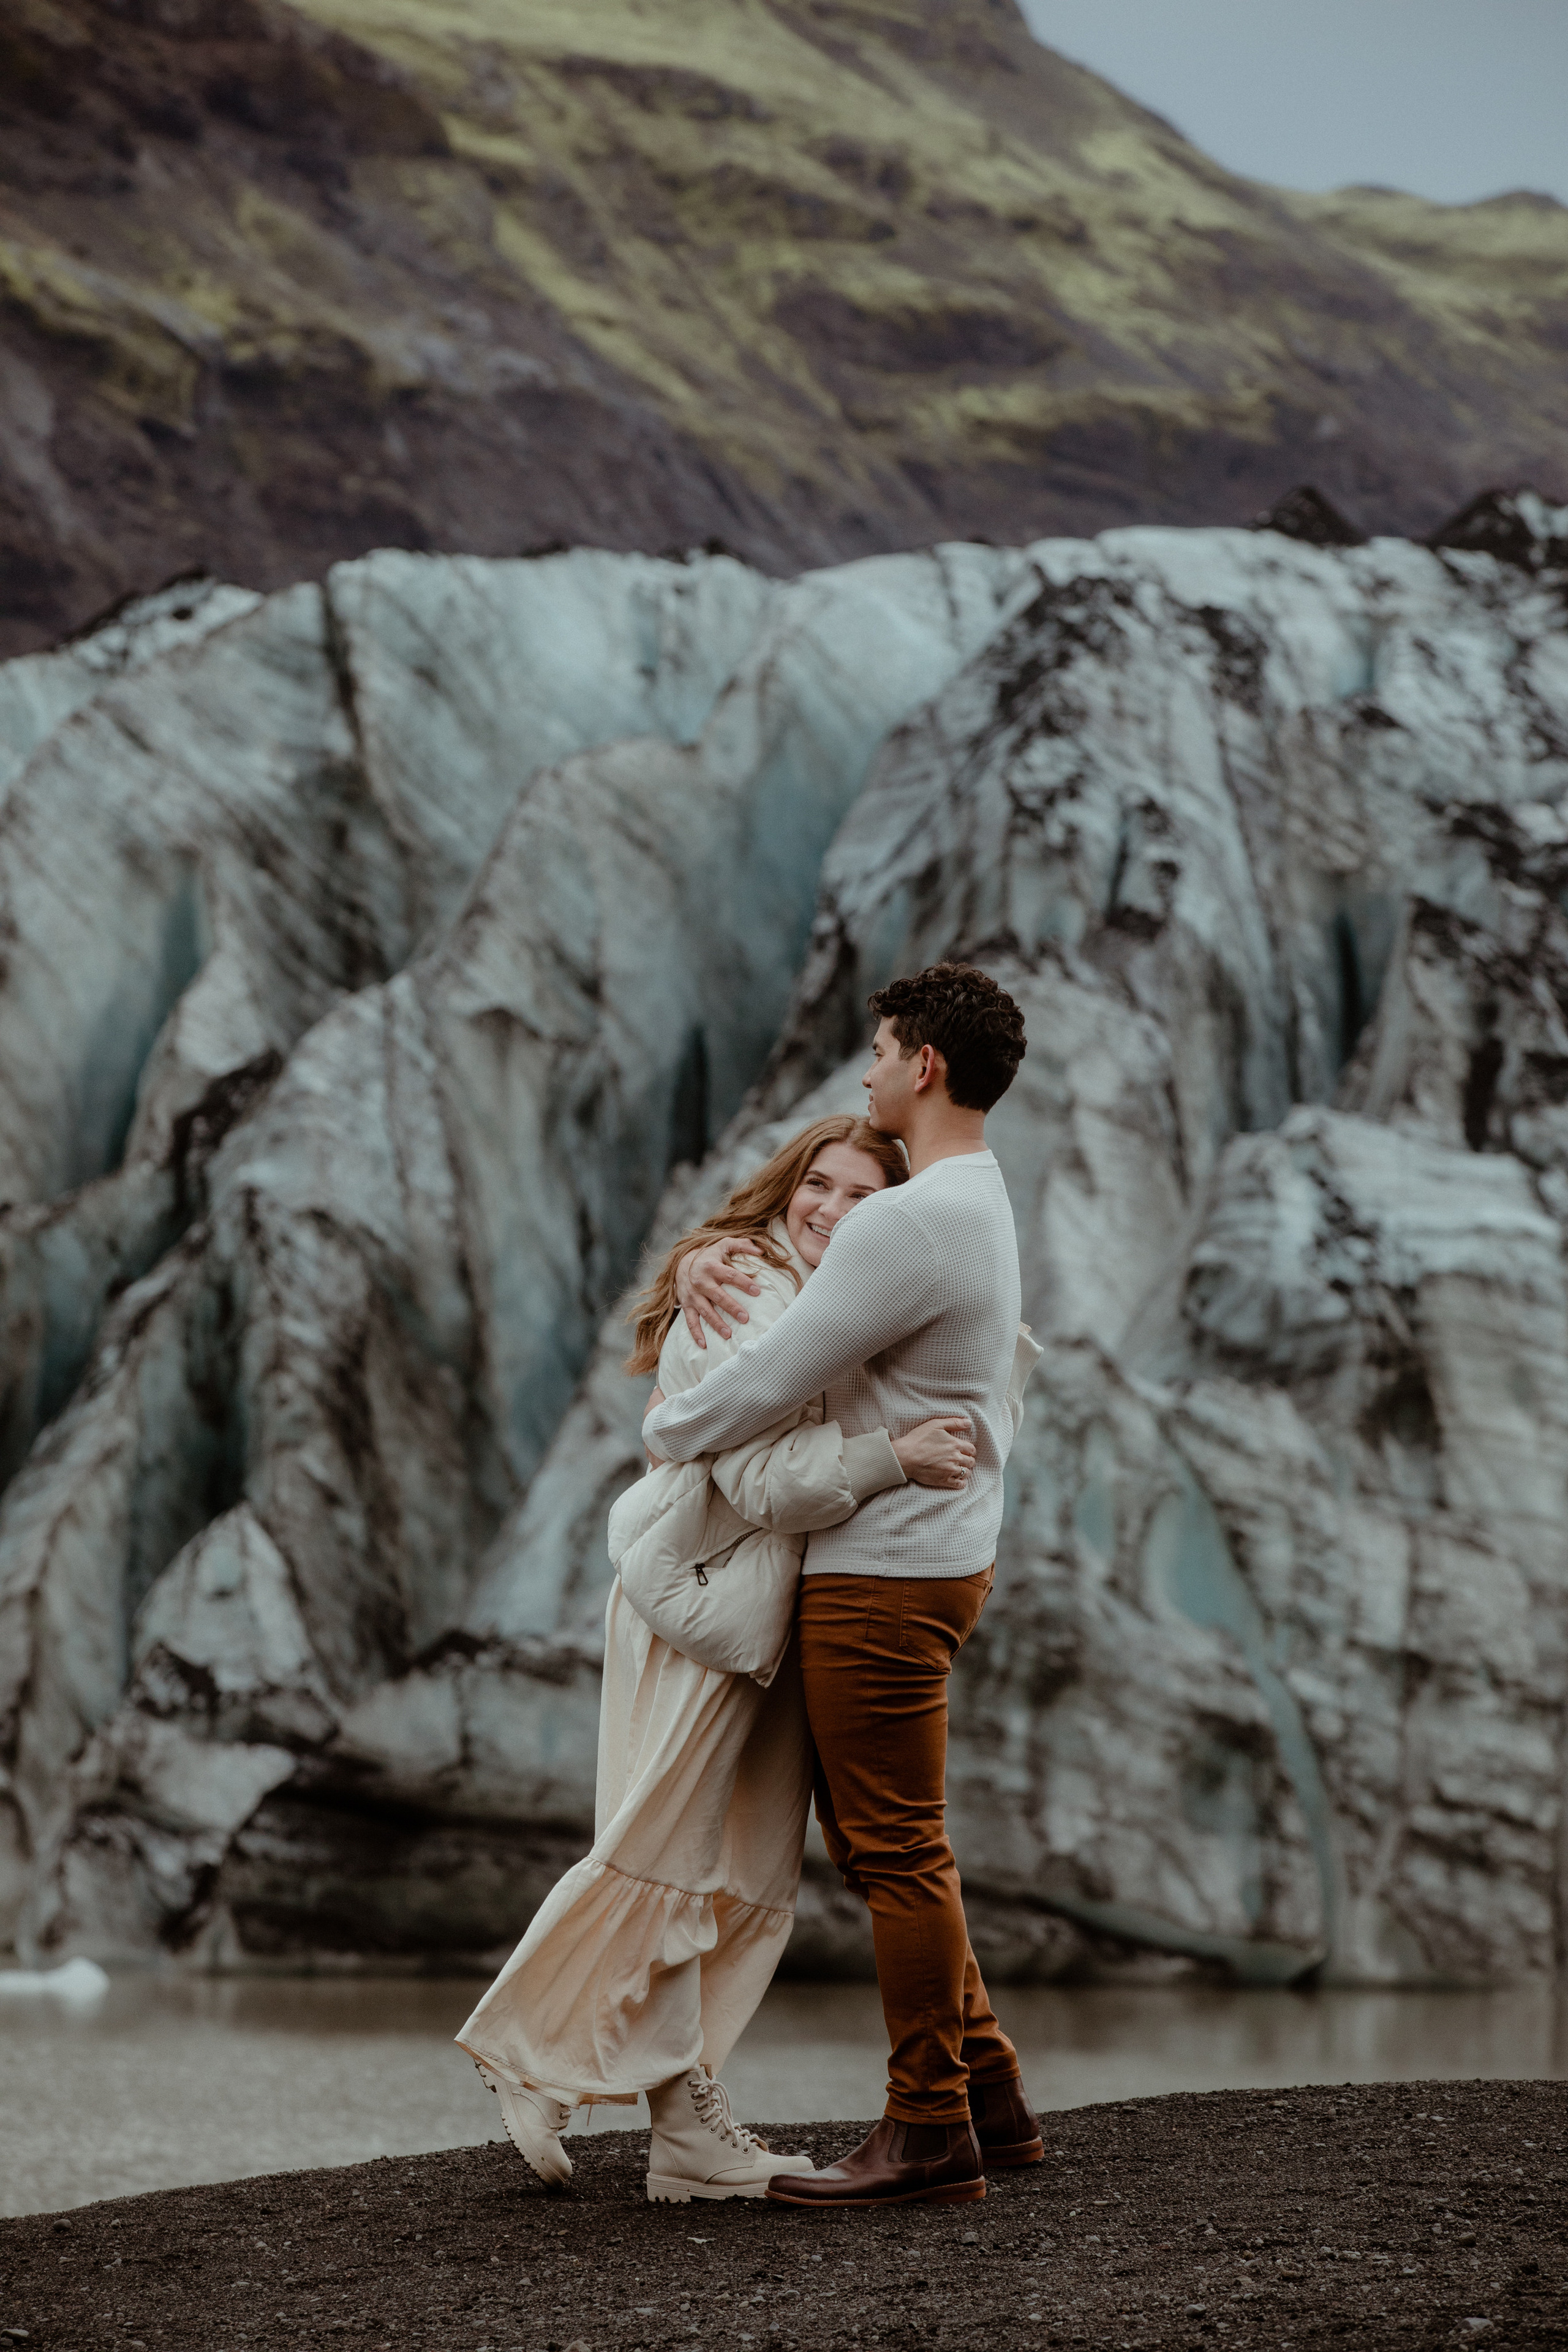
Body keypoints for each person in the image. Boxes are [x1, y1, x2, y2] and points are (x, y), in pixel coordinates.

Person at [454, 1114, 976, 2201]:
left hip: (759, 1622)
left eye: (858, 1198)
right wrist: (895, 1457)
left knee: (732, 1874)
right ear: (785, 1187)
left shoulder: (827, 1300)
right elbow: (756, 1483)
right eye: (816, 1186)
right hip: (695, 1611)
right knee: (666, 1852)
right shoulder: (745, 1285)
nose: (830, 1210)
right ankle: (538, 2055)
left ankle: (673, 2120)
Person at [645, 962, 1041, 2209]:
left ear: (922, 1065)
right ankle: (990, 2096)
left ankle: (926, 2131)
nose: (864, 1069)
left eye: (877, 1048)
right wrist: (712, 1254)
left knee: (895, 1851)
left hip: (882, 1572)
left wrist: (672, 1421)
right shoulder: (969, 1197)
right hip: (931, 1558)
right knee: (889, 1848)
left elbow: (768, 1382)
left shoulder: (905, 1217)